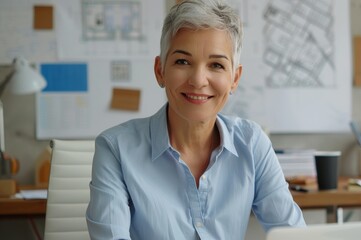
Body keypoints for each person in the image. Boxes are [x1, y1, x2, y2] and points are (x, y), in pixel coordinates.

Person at [86, 0, 306, 239]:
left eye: (216, 65)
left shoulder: (252, 144)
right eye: (182, 61)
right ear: (160, 70)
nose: (199, 80)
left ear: (234, 78)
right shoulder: (116, 149)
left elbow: (293, 233)